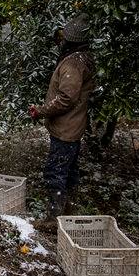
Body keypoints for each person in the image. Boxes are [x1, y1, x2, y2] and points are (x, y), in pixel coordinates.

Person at [29, 13, 95, 231]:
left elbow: (66, 98)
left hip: (66, 128)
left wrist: (41, 111)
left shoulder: (74, 63)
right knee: (68, 171)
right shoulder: (83, 58)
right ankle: (66, 214)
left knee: (55, 172)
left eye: (64, 38)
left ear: (70, 40)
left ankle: (53, 219)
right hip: (73, 127)